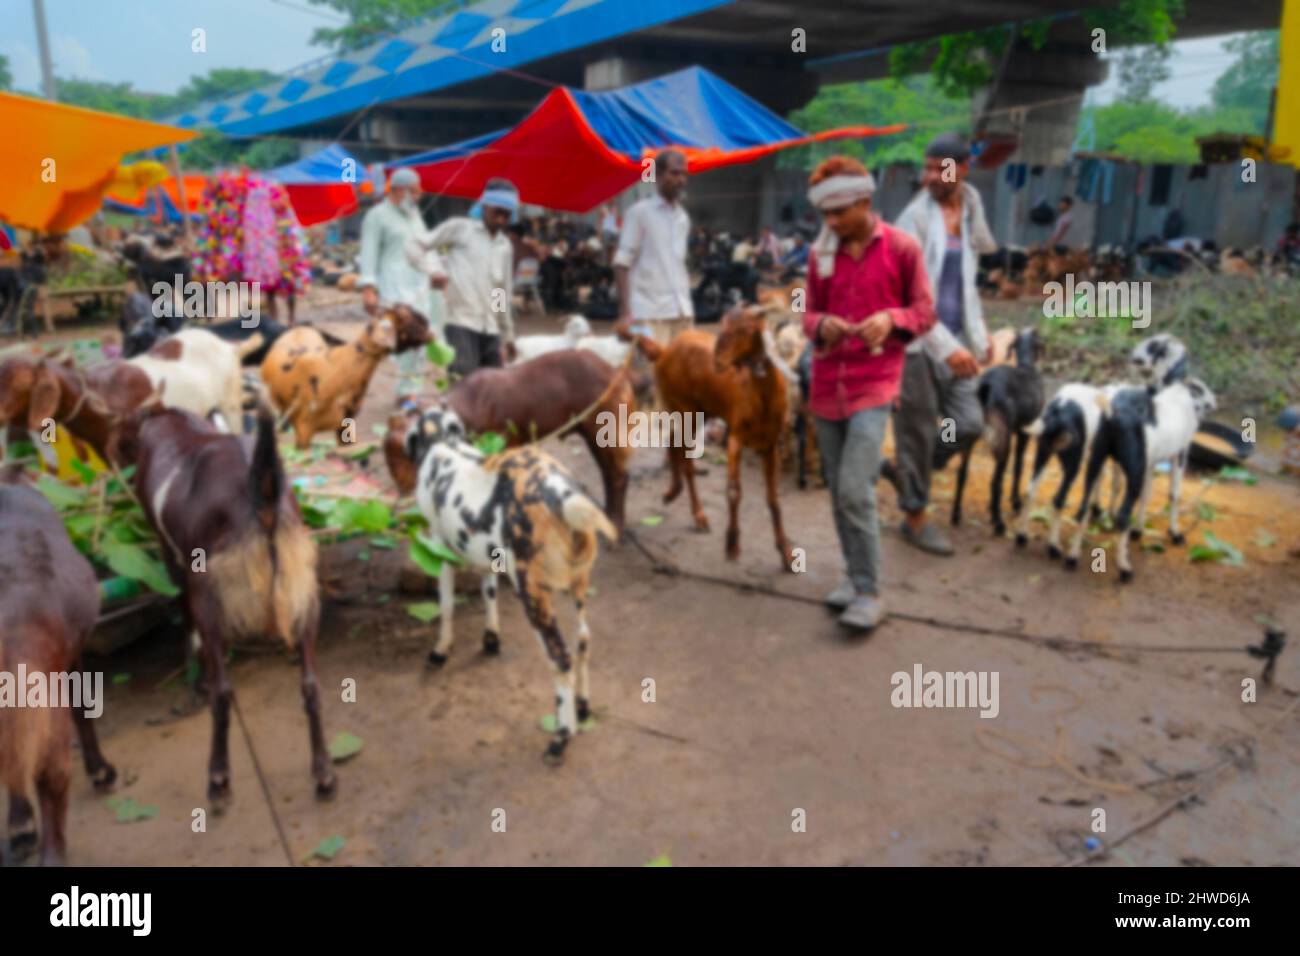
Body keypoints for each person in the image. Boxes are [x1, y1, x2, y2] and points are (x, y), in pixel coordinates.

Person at [802, 156, 936, 631]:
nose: (832, 223)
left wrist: (892, 320)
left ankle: (869, 592)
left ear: (865, 201)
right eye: (825, 215)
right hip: (826, 383)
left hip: (875, 383)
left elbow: (924, 311)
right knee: (839, 490)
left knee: (856, 487)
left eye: (839, 213)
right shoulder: (821, 255)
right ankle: (852, 575)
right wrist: (823, 325)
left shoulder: (901, 249)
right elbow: (807, 314)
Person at [889, 133, 997, 556]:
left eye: (941, 168)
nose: (931, 176)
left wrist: (981, 335)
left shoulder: (970, 210)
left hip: (959, 344)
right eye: (927, 168)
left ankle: (909, 473)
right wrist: (946, 346)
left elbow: (966, 285)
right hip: (918, 347)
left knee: (965, 423)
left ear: (963, 169)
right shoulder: (912, 220)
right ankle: (914, 518)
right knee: (914, 431)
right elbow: (908, 299)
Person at [409, 178, 518, 380]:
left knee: (493, 388)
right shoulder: (460, 229)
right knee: (463, 384)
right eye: (497, 212)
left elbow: (500, 292)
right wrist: (433, 271)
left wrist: (507, 334)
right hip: (461, 322)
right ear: (485, 206)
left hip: (490, 328)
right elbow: (415, 246)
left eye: (507, 214)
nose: (502, 219)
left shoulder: (505, 246)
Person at [357, 167, 445, 406]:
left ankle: (409, 393)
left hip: (419, 288)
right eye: (413, 192)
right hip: (392, 289)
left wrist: (437, 272)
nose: (417, 197)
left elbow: (426, 247)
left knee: (419, 339)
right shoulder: (377, 216)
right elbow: (368, 253)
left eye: (419, 193)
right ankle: (399, 391)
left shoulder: (415, 215)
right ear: (397, 190)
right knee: (394, 341)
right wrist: (368, 289)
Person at [614, 149, 692, 346]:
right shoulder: (640, 213)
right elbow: (622, 264)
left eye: (683, 174)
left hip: (681, 312)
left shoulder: (682, 217)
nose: (680, 179)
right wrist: (625, 314)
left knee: (679, 376)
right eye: (674, 173)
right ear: (657, 175)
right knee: (647, 374)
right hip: (646, 314)